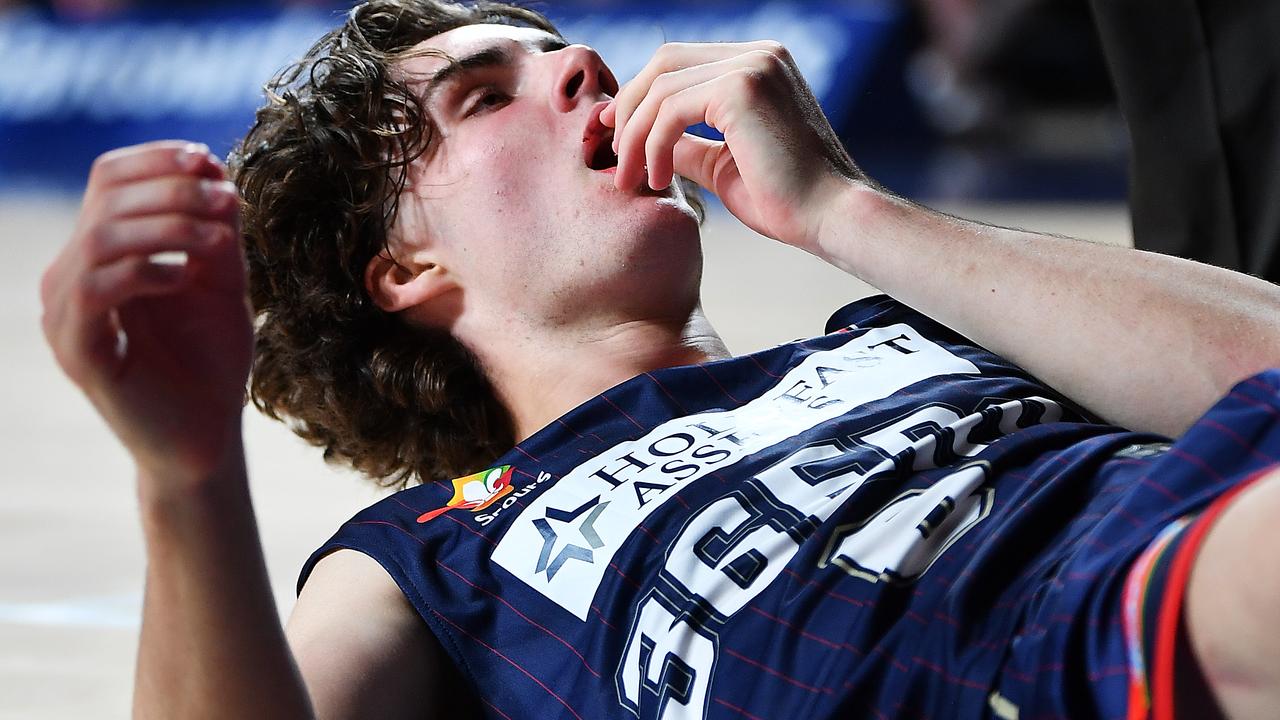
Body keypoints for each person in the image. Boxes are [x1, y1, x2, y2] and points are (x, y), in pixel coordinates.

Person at [37, 0, 1280, 718]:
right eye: (484, 94)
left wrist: (852, 216)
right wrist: (182, 471)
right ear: (405, 271)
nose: (583, 66)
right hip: (1052, 650)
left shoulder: (906, 329)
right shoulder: (436, 551)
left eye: (561, 51)